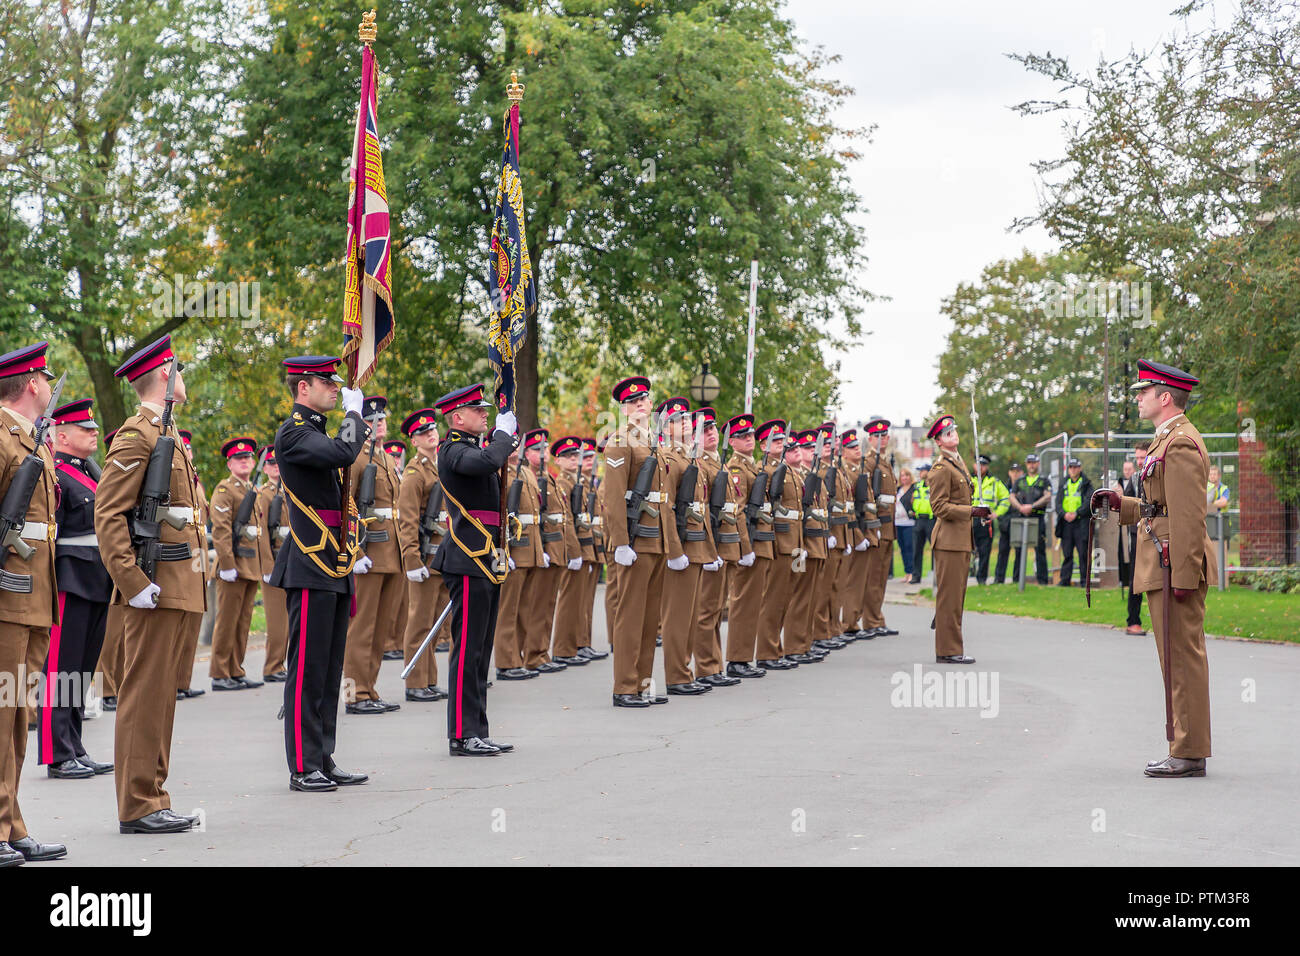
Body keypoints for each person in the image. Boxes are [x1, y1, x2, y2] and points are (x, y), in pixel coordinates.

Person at [95, 335, 209, 831]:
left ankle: (153, 797)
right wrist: (133, 579)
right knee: (144, 695)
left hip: (180, 582)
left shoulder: (168, 433)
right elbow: (109, 513)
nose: (183, 378)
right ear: (165, 373)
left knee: (161, 696)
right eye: (179, 369)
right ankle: (138, 805)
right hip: (155, 585)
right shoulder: (137, 435)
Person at [1093, 359, 1215, 777]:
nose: (1138, 399)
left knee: (1181, 659)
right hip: (1163, 559)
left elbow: (1188, 516)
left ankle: (1189, 750)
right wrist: (1117, 503)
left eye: (1143, 393)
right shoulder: (1168, 439)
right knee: (1175, 659)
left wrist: (1183, 576)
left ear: (1165, 398)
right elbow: (1156, 508)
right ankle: (1184, 747)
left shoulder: (1179, 443)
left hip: (1172, 565)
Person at [268, 355, 370, 792]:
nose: (334, 387)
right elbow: (344, 452)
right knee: (307, 669)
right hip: (309, 563)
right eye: (326, 382)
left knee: (329, 669)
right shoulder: (293, 434)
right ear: (302, 389)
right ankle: (302, 766)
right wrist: (354, 414)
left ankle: (323, 757)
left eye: (335, 382)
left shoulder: (316, 433)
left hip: (332, 560)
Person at [0, 342, 68, 864]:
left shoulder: (34, 442)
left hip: (33, 595)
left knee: (19, 714)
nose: (48, 385)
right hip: (6, 597)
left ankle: (11, 822)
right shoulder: (2, 439)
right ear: (30, 384)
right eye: (44, 377)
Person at [428, 383, 518, 754]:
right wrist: (503, 435)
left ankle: (476, 729)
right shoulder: (452, 451)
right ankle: (462, 734)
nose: (485, 414)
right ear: (457, 417)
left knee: (480, 649)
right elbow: (487, 463)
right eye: (478, 411)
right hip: (466, 557)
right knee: (467, 649)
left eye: (486, 410)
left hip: (485, 555)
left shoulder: (475, 449)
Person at [39, 398, 114, 780]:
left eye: (93, 428)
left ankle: (75, 746)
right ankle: (56, 752)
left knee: (82, 671)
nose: (94, 432)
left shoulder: (91, 472)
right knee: (61, 668)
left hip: (97, 576)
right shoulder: (55, 475)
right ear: (62, 435)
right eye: (86, 429)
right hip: (69, 576)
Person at [602, 376, 681, 706]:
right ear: (623, 408)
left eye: (643, 400)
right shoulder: (620, 442)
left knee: (651, 619)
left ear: (650, 404)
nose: (639, 405)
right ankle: (624, 686)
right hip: (635, 541)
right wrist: (620, 542)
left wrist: (672, 545)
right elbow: (614, 497)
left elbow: (664, 499)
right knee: (630, 617)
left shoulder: (655, 444)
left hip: (657, 539)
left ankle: (643, 683)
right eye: (632, 402)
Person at [343, 396, 405, 714]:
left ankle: (370, 687)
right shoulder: (355, 458)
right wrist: (355, 551)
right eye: (372, 419)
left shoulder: (386, 458)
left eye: (382, 418)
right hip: (368, 550)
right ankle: (354, 693)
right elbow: (348, 505)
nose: (379, 423)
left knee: (381, 627)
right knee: (362, 627)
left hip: (390, 551)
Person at [657, 397, 718, 693]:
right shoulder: (669, 459)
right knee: (678, 616)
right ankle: (676, 675)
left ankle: (685, 670)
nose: (686, 424)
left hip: (696, 545)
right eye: (679, 421)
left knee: (691, 615)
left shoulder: (688, 458)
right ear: (667, 428)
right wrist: (674, 551)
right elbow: (666, 507)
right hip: (682, 546)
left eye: (686, 420)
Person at [395, 408, 450, 702]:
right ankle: (415, 682)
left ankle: (428, 680)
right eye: (423, 433)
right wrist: (412, 561)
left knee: (434, 623)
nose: (431, 434)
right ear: (414, 441)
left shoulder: (438, 468)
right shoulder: (415, 473)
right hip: (424, 559)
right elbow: (408, 520)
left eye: (432, 430)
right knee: (419, 621)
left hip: (440, 556)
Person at [208, 437, 269, 691]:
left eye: (247, 458)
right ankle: (220, 673)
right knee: (227, 621)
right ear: (229, 464)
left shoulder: (250, 490)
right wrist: (227, 563)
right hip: (232, 566)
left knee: (243, 621)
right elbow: (221, 530)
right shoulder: (225, 489)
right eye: (238, 459)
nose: (244, 462)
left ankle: (236, 669)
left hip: (249, 564)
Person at [926, 414, 986, 664]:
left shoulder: (957, 463)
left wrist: (980, 513)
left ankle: (950, 646)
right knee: (949, 598)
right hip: (949, 541)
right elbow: (939, 507)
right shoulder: (941, 469)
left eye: (954, 431)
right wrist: (970, 511)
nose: (953, 435)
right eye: (947, 433)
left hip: (960, 539)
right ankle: (948, 650)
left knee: (956, 596)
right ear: (939, 441)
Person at [692, 407, 746, 685]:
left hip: (725, 543)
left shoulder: (719, 463)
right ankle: (706, 667)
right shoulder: (700, 464)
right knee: (706, 610)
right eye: (704, 430)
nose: (711, 434)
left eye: (712, 429)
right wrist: (710, 550)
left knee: (715, 609)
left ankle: (714, 665)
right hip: (712, 544)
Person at [722, 413, 770, 678]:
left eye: (750, 434)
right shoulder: (737, 468)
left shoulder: (752, 466)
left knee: (753, 602)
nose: (749, 438)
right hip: (749, 543)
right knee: (743, 601)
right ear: (732, 442)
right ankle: (737, 659)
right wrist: (745, 548)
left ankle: (744, 656)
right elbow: (738, 511)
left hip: (758, 541)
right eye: (742, 436)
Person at [756, 420, 807, 667]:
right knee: (774, 598)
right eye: (775, 441)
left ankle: (780, 648)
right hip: (780, 541)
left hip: (796, 542)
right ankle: (767, 652)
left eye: (781, 440)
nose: (781, 443)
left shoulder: (788, 471)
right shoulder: (765, 470)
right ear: (763, 445)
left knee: (788, 595)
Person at [493, 438, 543, 680]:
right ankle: (506, 661)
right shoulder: (496, 470)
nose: (513, 448)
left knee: (524, 609)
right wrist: (502, 554)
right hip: (510, 549)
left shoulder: (525, 471)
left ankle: (519, 658)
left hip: (529, 548)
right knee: (507, 609)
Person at [521, 428, 567, 675]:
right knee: (537, 607)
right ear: (527, 453)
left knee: (548, 605)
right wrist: (543, 549)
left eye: (545, 448)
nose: (543, 453)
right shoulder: (527, 475)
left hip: (554, 546)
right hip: (541, 547)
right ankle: (533, 654)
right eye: (537, 449)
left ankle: (541, 652)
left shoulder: (547, 477)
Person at [550, 434, 597, 667]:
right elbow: (566, 520)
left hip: (585, 546)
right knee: (570, 600)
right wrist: (573, 551)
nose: (573, 459)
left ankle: (577, 643)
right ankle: (563, 648)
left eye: (575, 455)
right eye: (567, 456)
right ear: (557, 461)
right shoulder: (563, 483)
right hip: (575, 548)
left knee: (580, 601)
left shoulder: (579, 481)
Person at [859, 418, 898, 636]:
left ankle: (877, 617)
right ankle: (870, 620)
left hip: (888, 525)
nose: (883, 439)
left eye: (885, 436)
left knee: (882, 575)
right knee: (873, 576)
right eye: (878, 436)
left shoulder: (884, 461)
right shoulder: (869, 462)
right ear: (871, 439)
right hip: (878, 525)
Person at [257, 446, 290, 682]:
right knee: (277, 621)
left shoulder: (290, 490)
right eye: (270, 463)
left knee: (289, 618)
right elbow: (262, 535)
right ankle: (272, 666)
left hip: (291, 559)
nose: (275, 467)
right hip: (275, 560)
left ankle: (281, 664)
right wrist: (268, 568)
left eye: (278, 462)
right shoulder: (264, 495)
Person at [1116, 444, 1149, 634]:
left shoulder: (1162, 476)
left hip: (1159, 536)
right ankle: (1133, 621)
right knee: (1136, 579)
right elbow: (1126, 504)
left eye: (1142, 457)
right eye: (1137, 457)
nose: (1139, 461)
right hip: (1138, 535)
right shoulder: (1135, 478)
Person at [1010, 453, 1053, 584]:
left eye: (1033, 462)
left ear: (1038, 463)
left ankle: (1042, 581)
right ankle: (1016, 580)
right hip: (1022, 517)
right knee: (1018, 549)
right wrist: (1021, 508)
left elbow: (1048, 496)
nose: (1031, 465)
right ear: (1026, 464)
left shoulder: (1043, 480)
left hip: (1037, 517)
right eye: (1029, 462)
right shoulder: (1020, 481)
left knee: (1039, 550)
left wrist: (1032, 506)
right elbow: (1011, 497)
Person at [1055, 458, 1094, 587]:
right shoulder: (1064, 482)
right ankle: (1065, 580)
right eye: (1071, 467)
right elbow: (1058, 503)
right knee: (1067, 553)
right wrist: (1064, 514)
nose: (1073, 470)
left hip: (1080, 523)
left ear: (1080, 468)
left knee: (1083, 553)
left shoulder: (1086, 483)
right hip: (1066, 523)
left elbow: (1089, 501)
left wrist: (1077, 513)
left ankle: (1084, 581)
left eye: (1075, 467)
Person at [972, 455, 1009, 586]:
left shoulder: (995, 482)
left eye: (983, 465)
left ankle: (981, 579)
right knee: (965, 550)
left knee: (984, 550)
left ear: (987, 466)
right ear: (974, 466)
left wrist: (996, 513)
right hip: (968, 520)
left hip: (985, 521)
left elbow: (1006, 499)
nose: (980, 467)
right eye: (978, 464)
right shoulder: (968, 480)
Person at [993, 462, 1024, 584]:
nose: (1015, 474)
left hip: (1018, 522)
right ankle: (999, 578)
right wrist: (1002, 520)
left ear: (1021, 473)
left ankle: (1017, 579)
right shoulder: (1003, 487)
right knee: (1003, 552)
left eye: (1018, 471)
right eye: (1013, 471)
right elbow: (999, 504)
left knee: (1019, 552)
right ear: (1009, 473)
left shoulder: (1024, 486)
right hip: (1005, 524)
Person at [905, 463, 932, 584]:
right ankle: (916, 575)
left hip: (932, 520)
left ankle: (935, 573)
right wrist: (910, 511)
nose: (920, 473)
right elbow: (906, 499)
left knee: (936, 549)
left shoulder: (934, 486)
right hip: (919, 520)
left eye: (922, 471)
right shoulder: (917, 486)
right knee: (916, 549)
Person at [895, 467, 916, 580]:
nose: (904, 478)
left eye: (906, 475)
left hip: (909, 522)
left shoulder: (914, 489)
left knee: (909, 547)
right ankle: (907, 572)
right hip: (898, 522)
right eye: (902, 475)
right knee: (902, 548)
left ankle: (912, 572)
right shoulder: (898, 489)